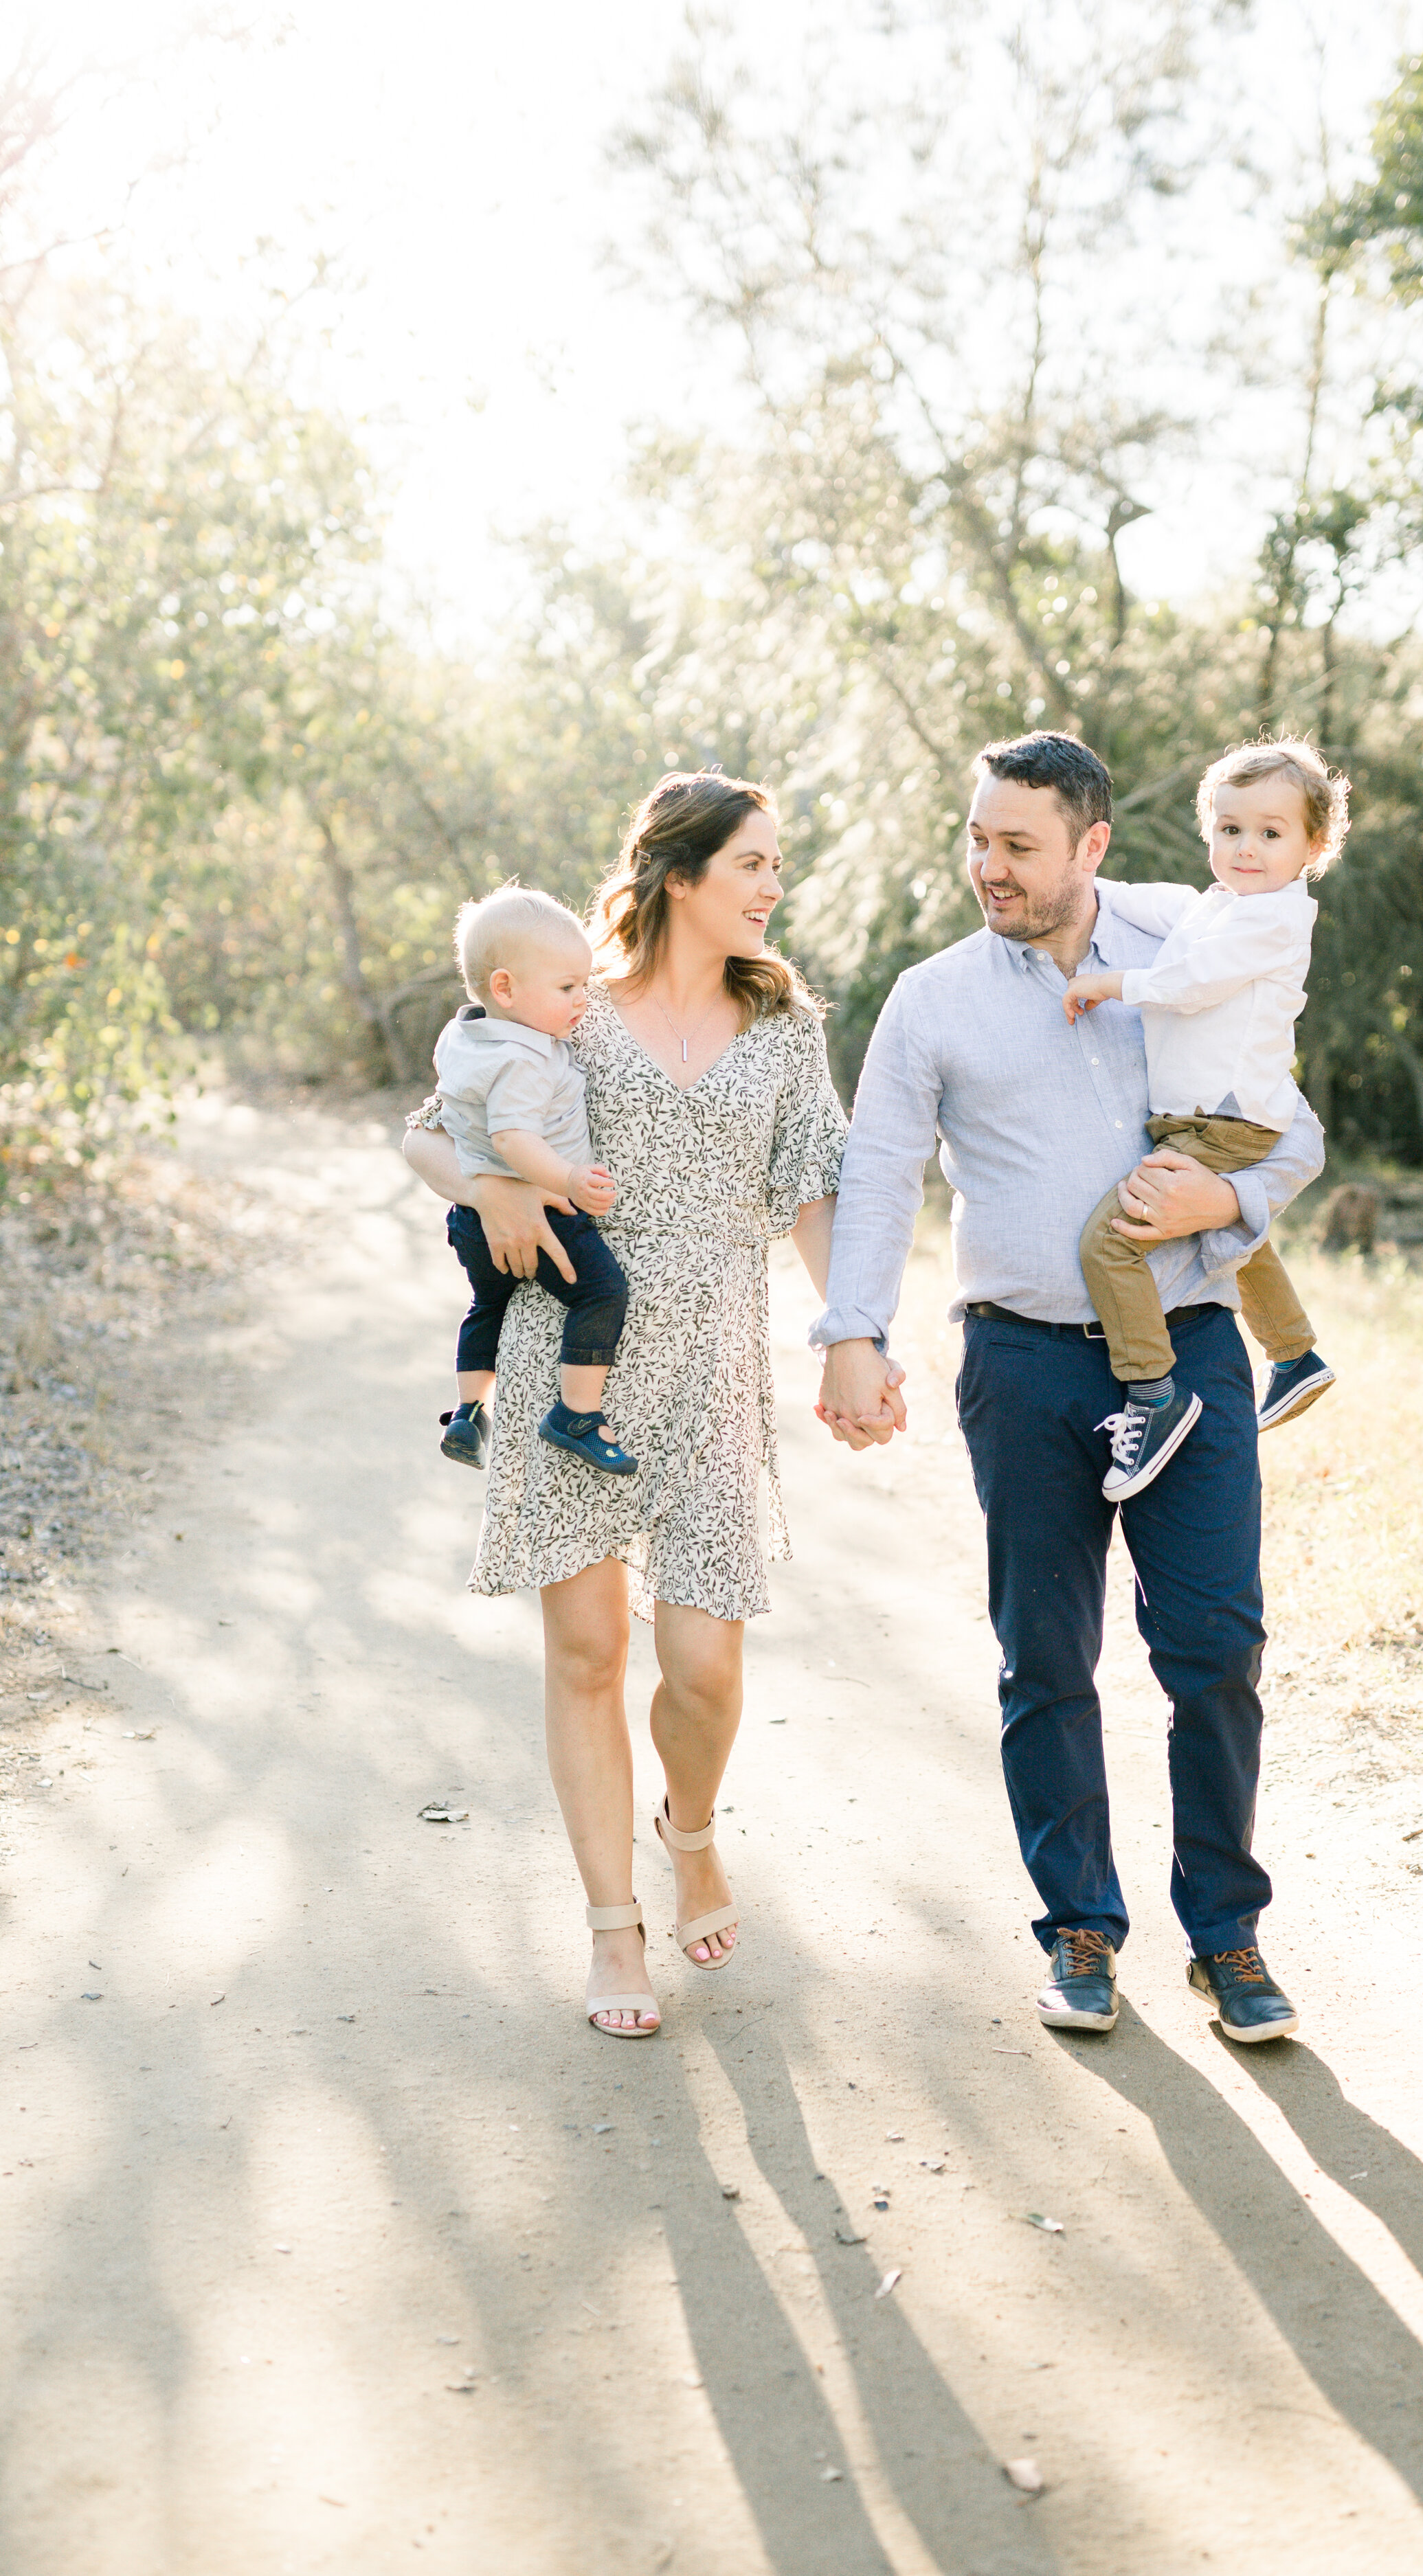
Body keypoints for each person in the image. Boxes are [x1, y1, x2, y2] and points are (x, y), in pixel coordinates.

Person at [814, 730, 1322, 2044]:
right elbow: (879, 1171)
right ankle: (1080, 1930)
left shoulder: (1190, 943)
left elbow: (1292, 1118)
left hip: (1194, 1347)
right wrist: (851, 1330)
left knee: (1216, 1645)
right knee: (1047, 1656)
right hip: (1024, 1362)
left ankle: (1228, 1936)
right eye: (977, 839)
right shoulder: (931, 1001)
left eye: (1017, 845)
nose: (989, 865)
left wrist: (1233, 1195)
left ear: (1091, 846)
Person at [403, 773, 849, 2039]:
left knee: (705, 1667)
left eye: (777, 865)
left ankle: (690, 1830)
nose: (775, 886)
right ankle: (612, 1928)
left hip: (709, 1363)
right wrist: (487, 1195)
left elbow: (816, 1184)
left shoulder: (782, 1024)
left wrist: (850, 1337)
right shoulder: (563, 1009)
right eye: (755, 863)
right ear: (678, 874)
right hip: (569, 1360)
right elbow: (436, 1134)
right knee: (590, 1653)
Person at [1065, 736, 1345, 1502]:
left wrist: (1105, 983)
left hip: (1220, 1121)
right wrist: (1083, 878)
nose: (1245, 848)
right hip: (1206, 1121)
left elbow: (1189, 983)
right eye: (1229, 829)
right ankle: (1294, 1355)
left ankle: (1154, 1396)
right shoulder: (1223, 906)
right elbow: (1154, 902)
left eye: (1270, 832)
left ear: (1313, 846)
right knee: (1222, 1228)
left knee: (1109, 1247)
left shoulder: (1275, 922)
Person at [431, 883, 635, 1477]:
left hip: (470, 1220)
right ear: (505, 988)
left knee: (485, 1306)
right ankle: (577, 1414)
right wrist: (569, 1178)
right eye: (569, 988)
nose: (583, 1001)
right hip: (540, 1213)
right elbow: (513, 1140)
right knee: (601, 1294)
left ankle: (470, 1411)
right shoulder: (525, 1056)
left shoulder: (464, 1035)